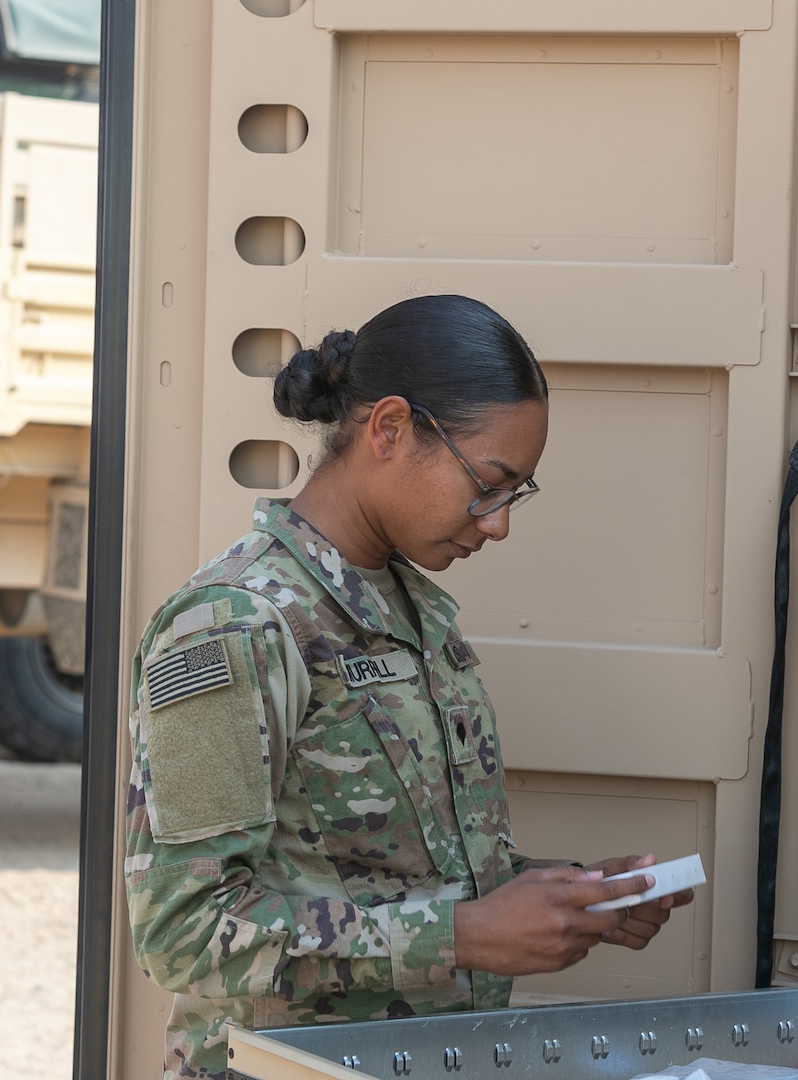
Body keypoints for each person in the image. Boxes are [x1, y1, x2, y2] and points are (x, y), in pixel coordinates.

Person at [124, 294, 692, 1080]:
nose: (496, 523)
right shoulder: (236, 623)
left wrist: (567, 896)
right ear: (390, 429)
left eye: (514, 494)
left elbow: (402, 875)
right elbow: (183, 931)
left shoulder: (411, 608)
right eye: (488, 483)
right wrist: (462, 936)